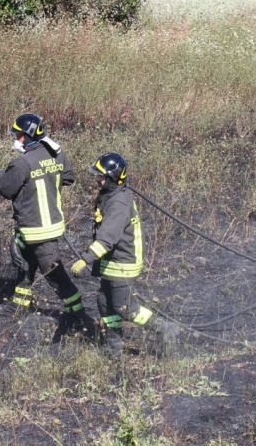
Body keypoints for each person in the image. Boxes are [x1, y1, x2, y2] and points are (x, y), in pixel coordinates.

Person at [69, 153, 180, 358]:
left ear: (114, 177)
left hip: (123, 263)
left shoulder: (119, 203)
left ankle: (164, 328)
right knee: (104, 303)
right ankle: (114, 347)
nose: (97, 179)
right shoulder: (111, 196)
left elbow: (107, 238)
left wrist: (85, 259)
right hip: (111, 263)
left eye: (101, 176)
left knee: (125, 308)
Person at [0, 113, 91, 330]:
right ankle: (18, 306)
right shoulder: (55, 153)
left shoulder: (21, 163)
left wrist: (4, 176)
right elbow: (68, 177)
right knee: (25, 267)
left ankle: (79, 315)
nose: (17, 141)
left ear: (28, 136)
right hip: (46, 226)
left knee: (55, 274)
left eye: (19, 136)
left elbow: (5, 189)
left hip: (37, 229)